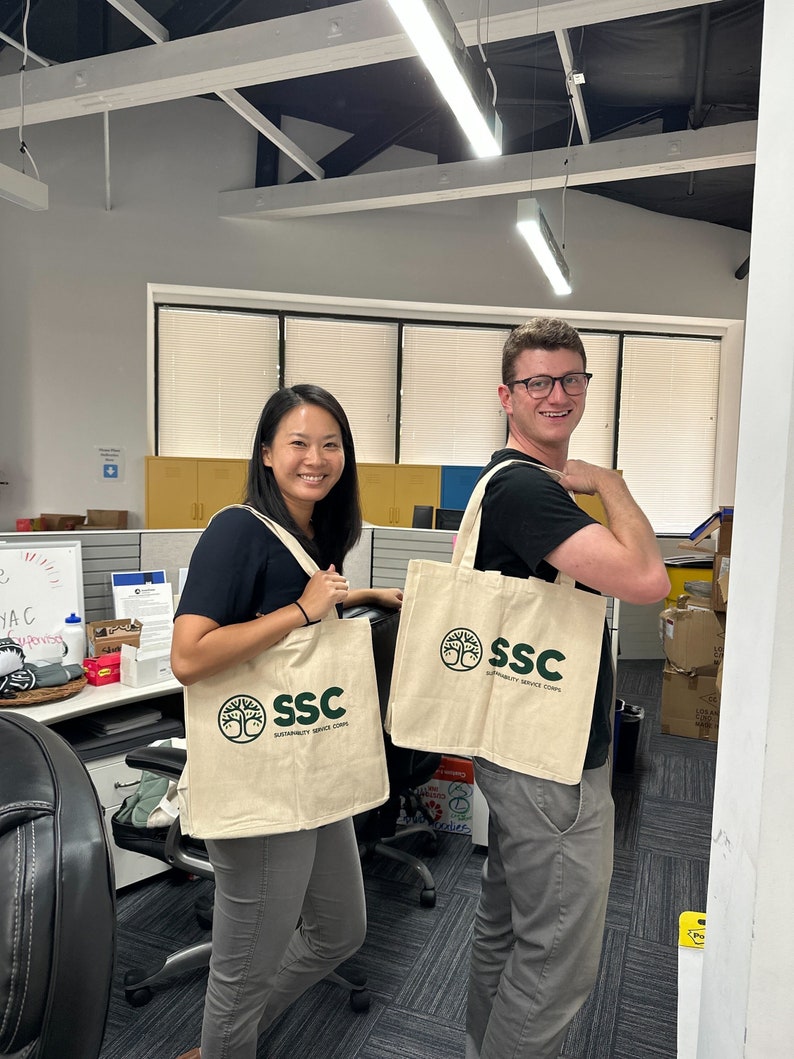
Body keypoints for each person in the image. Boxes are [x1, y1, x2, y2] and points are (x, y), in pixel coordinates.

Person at [171, 383, 402, 1059]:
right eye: (298, 442)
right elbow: (190, 655)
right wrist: (304, 610)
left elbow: (281, 598)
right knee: (240, 975)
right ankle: (226, 1044)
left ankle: (222, 1046)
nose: (316, 457)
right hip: (261, 786)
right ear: (267, 453)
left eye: (331, 444)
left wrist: (350, 594)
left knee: (340, 929)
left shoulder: (307, 533)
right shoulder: (236, 527)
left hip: (309, 766)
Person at [466, 318, 670, 1059]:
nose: (558, 395)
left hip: (517, 741)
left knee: (509, 924)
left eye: (572, 379)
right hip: (548, 761)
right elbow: (649, 579)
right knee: (556, 960)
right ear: (506, 395)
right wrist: (610, 482)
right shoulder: (527, 489)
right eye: (538, 382)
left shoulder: (507, 481)